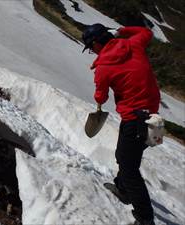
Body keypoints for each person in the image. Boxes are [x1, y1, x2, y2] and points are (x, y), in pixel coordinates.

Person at [82, 23, 160, 225]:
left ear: (97, 43)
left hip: (135, 120)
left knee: (129, 168)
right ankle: (122, 189)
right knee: (126, 157)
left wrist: (99, 99)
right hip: (153, 116)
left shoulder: (104, 68)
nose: (92, 51)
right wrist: (122, 31)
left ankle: (145, 218)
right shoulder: (134, 44)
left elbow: (101, 96)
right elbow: (146, 32)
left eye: (91, 47)